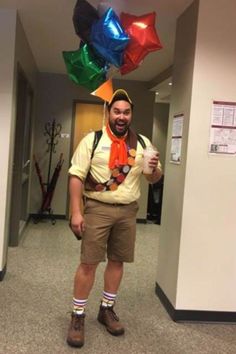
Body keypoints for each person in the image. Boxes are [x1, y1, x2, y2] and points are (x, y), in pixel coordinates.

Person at [67, 89, 162, 348]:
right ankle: (77, 315)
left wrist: (152, 170)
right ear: (109, 113)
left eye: (126, 112)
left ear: (131, 114)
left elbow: (154, 179)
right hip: (97, 208)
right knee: (89, 263)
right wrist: (76, 211)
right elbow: (76, 176)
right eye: (117, 111)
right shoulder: (93, 140)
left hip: (128, 211)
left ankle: (106, 308)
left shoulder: (142, 143)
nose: (122, 116)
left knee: (118, 261)